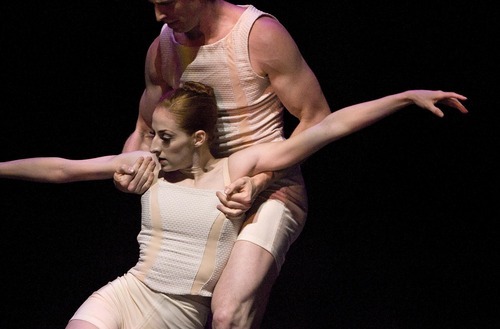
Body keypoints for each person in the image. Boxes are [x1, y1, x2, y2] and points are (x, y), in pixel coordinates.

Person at [0, 81, 468, 328]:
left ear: (198, 138)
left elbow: (330, 128)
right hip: (128, 294)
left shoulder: (238, 169)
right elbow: (63, 168)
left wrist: (405, 97)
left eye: (166, 137)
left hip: (181, 315)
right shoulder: (150, 164)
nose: (154, 145)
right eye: (152, 135)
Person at [116, 2, 332, 327]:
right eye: (154, 4)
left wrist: (260, 180)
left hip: (269, 190)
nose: (160, 15)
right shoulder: (162, 49)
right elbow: (145, 130)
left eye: (169, 2)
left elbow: (316, 118)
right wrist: (128, 167)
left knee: (229, 313)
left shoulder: (259, 35)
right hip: (206, 196)